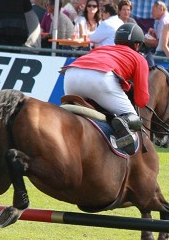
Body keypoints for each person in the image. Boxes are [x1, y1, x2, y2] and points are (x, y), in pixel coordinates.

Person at [62, 22, 150, 155]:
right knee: (134, 119)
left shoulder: (102, 49)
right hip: (100, 77)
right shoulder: (139, 58)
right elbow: (141, 101)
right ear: (137, 45)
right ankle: (118, 142)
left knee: (71, 115)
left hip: (71, 74)